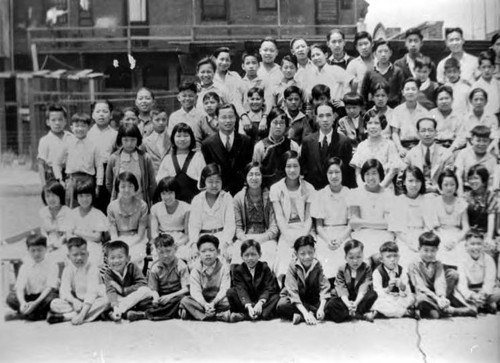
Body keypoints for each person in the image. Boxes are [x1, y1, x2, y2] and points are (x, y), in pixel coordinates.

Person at [408, 232, 475, 318]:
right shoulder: (413, 265)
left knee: (452, 274)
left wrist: (442, 297)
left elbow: (439, 281)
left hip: (438, 293)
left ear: (437, 250)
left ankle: (441, 306)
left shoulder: (438, 263)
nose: (429, 254)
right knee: (421, 299)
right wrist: (436, 298)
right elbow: (419, 286)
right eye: (426, 250)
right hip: (424, 293)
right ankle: (451, 310)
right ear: (419, 249)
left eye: (433, 251)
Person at [270, 151, 314, 281]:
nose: (292, 170)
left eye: (295, 166)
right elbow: (279, 216)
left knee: (308, 254)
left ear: (300, 167)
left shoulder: (309, 188)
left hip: (305, 230)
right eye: (288, 166)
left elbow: (308, 217)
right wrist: (288, 236)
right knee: (284, 255)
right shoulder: (276, 188)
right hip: (286, 231)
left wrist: (303, 236)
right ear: (284, 168)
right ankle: (285, 287)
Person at [47, 237, 109, 324]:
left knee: (106, 301)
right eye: (75, 255)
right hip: (77, 301)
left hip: (94, 299)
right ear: (69, 256)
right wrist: (74, 301)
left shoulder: (93, 268)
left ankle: (67, 316)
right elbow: (64, 291)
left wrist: (82, 315)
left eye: (83, 254)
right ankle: (95, 314)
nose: (79, 258)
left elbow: (92, 292)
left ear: (88, 254)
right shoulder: (68, 270)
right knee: (54, 303)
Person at [276, 235, 335, 325]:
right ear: (296, 254)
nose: (307, 257)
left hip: (312, 298)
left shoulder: (317, 265)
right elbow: (293, 292)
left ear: (314, 251)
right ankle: (308, 314)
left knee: (331, 303)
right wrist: (306, 314)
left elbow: (324, 287)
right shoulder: (292, 266)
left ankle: (302, 315)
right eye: (302, 254)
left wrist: (321, 308)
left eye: (310, 252)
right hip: (297, 298)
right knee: (282, 304)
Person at [310, 157, 352, 280]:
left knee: (345, 253)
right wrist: (328, 239)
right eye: (330, 173)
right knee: (324, 254)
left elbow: (351, 223)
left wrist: (340, 239)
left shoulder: (349, 193)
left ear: (343, 173)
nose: (334, 176)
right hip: (325, 234)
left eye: (337, 172)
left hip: (344, 233)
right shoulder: (320, 195)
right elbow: (319, 225)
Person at [348, 159, 395, 264]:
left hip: (383, 235)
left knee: (379, 258)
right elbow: (354, 223)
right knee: (365, 262)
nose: (371, 177)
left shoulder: (388, 194)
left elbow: (389, 224)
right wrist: (377, 223)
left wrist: (364, 222)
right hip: (362, 235)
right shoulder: (356, 193)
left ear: (380, 174)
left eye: (374, 173)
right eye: (367, 174)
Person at [301, 102, 356, 189]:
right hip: (314, 193)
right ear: (316, 118)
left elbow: (348, 172)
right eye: (321, 116)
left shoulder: (344, 141)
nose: (325, 119)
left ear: (334, 117)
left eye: (328, 115)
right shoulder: (307, 141)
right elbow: (305, 170)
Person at [201, 103, 253, 196]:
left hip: (241, 194)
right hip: (219, 193)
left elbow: (247, 169)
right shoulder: (207, 144)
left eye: (231, 117)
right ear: (216, 119)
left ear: (236, 118)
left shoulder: (246, 141)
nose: (228, 121)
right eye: (224, 117)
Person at [179, 235, 234, 322]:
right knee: (185, 300)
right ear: (198, 254)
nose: (207, 254)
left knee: (230, 300)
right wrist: (205, 304)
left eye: (211, 250)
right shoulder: (195, 270)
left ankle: (197, 314)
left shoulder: (224, 268)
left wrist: (213, 302)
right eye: (203, 251)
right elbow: (195, 291)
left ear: (218, 252)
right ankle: (218, 316)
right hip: (202, 301)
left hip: (218, 300)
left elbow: (224, 288)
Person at [232, 162, 278, 266]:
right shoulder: (238, 198)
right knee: (237, 253)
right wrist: (246, 240)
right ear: (245, 177)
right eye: (250, 174)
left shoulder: (270, 197)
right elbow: (237, 228)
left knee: (269, 253)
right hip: (245, 237)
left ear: (262, 177)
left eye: (257, 174)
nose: (254, 178)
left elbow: (274, 227)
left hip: (265, 237)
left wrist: (261, 239)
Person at [188, 163, 236, 263]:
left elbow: (230, 225)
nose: (214, 185)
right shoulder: (198, 200)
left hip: (222, 237)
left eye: (217, 181)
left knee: (224, 260)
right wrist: (193, 245)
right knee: (196, 262)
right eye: (210, 182)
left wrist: (224, 244)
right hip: (202, 238)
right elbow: (194, 226)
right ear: (204, 182)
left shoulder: (227, 198)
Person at [5, 234, 59, 321]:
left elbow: (49, 288)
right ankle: (36, 314)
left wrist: (35, 303)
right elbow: (20, 288)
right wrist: (22, 303)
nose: (36, 253)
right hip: (29, 297)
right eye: (32, 251)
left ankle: (24, 315)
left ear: (46, 249)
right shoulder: (25, 266)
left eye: (39, 250)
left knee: (53, 299)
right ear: (28, 251)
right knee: (10, 298)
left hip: (44, 297)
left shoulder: (52, 265)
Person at [391, 166, 438, 264]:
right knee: (406, 261)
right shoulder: (398, 201)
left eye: (417, 181)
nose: (414, 184)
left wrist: (422, 241)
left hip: (424, 237)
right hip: (404, 238)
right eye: (410, 181)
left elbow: (429, 226)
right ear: (404, 182)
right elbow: (397, 230)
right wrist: (409, 242)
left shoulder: (427, 200)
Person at [226, 239, 280, 321]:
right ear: (242, 256)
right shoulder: (238, 270)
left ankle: (244, 316)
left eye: (253, 255)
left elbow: (268, 288)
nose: (250, 258)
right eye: (246, 255)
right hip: (246, 300)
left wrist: (260, 303)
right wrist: (248, 306)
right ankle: (255, 313)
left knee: (276, 296)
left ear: (260, 255)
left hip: (261, 299)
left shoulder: (264, 267)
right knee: (231, 292)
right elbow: (241, 289)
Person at [59, 113, 103, 208]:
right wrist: (60, 180)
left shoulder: (94, 145)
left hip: (88, 179)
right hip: (72, 180)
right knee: (71, 207)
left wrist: (98, 184)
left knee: (87, 206)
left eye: (83, 126)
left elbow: (99, 166)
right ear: (71, 127)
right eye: (77, 126)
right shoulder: (66, 144)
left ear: (89, 128)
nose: (80, 129)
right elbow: (58, 162)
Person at [106, 124, 156, 207]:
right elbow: (109, 183)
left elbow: (152, 183)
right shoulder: (114, 158)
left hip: (140, 202)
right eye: (125, 140)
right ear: (120, 140)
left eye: (133, 140)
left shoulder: (145, 158)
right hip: (120, 203)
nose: (129, 143)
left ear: (138, 140)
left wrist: (147, 198)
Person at [103, 240, 154, 322]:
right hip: (118, 298)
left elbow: (142, 283)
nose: (116, 261)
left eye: (120, 257)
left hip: (133, 296)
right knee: (103, 292)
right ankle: (123, 311)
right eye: (112, 258)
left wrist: (124, 290)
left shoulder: (132, 267)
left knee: (146, 290)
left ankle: (118, 312)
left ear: (128, 258)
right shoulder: (108, 273)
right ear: (107, 260)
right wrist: (115, 305)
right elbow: (110, 290)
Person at [351, 111, 404, 190]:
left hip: (385, 187)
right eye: (370, 123)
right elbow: (357, 172)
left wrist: (380, 188)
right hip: (365, 189)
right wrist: (362, 189)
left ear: (382, 125)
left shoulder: (389, 145)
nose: (373, 126)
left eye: (376, 123)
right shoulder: (361, 146)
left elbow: (393, 171)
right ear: (365, 125)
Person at [142, 234, 190, 321]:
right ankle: (174, 312)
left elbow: (186, 289)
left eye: (168, 251)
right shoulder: (155, 268)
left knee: (185, 300)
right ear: (156, 252)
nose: (165, 255)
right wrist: (156, 299)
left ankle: (145, 314)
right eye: (161, 252)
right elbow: (153, 289)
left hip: (176, 295)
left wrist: (170, 296)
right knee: (144, 301)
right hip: (162, 296)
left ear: (175, 249)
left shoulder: (181, 265)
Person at [329, 239, 378, 322]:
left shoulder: (366, 268)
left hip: (359, 297)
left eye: (358, 257)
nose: (355, 261)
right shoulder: (342, 269)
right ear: (345, 258)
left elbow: (364, 286)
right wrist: (348, 304)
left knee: (372, 294)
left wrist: (355, 303)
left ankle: (352, 313)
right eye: (351, 258)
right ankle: (356, 314)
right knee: (331, 304)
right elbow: (341, 288)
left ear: (363, 256)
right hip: (346, 297)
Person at [156, 123, 205, 203]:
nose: (182, 139)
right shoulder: (167, 159)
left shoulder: (198, 157)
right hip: (173, 206)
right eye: (178, 136)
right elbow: (160, 184)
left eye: (186, 136)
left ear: (191, 138)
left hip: (194, 204)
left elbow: (204, 184)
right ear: (173, 138)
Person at [107, 172, 149, 265]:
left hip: (137, 239)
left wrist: (129, 245)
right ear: (118, 188)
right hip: (118, 240)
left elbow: (140, 234)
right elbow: (113, 234)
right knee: (117, 259)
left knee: (135, 258)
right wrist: (120, 246)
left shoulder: (142, 205)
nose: (127, 189)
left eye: (130, 186)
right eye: (123, 186)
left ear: (135, 187)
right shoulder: (112, 206)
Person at [454, 229, 500, 314]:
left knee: (498, 292)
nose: (476, 247)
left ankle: (479, 305)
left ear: (483, 246)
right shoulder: (462, 260)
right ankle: (481, 305)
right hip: (470, 290)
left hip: (484, 291)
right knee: (455, 293)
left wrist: (483, 294)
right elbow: (462, 283)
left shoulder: (488, 259)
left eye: (479, 244)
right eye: (472, 244)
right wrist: (472, 295)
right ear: (466, 246)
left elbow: (489, 281)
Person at [404, 117, 454, 194]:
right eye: (423, 131)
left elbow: (449, 179)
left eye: (430, 130)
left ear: (436, 132)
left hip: (439, 194)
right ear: (418, 133)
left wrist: (435, 189)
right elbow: (403, 179)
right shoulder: (410, 154)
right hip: (416, 194)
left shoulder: (446, 153)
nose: (427, 134)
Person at [252, 107, 299, 187]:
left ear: (286, 125)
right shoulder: (260, 146)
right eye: (275, 122)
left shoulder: (293, 145)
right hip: (267, 188)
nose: (278, 126)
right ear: (269, 123)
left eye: (281, 123)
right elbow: (256, 171)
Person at [66, 179, 109, 266]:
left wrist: (77, 232)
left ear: (92, 196)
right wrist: (88, 236)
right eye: (81, 196)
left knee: (91, 261)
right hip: (75, 247)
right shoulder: (72, 213)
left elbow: (97, 237)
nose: (84, 199)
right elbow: (69, 236)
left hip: (93, 246)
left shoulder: (97, 214)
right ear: (76, 197)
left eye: (87, 196)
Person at [371, 241, 416, 319]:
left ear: (398, 257)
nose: (392, 259)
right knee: (378, 302)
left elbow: (407, 291)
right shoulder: (377, 272)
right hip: (386, 298)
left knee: (411, 298)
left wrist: (402, 287)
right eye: (388, 256)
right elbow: (378, 292)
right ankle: (404, 312)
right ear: (381, 259)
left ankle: (383, 312)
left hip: (399, 298)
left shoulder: (402, 270)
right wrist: (388, 289)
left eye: (395, 256)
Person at [435, 170, 470, 267]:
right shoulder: (434, 202)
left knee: (461, 256)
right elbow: (432, 226)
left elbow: (466, 227)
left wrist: (455, 240)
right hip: (440, 235)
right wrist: (442, 239)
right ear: (440, 186)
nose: (449, 188)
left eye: (452, 184)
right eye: (445, 185)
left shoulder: (461, 203)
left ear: (456, 186)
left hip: (457, 236)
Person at [150, 177, 191, 262]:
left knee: (181, 256)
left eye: (170, 193)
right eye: (163, 193)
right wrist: (161, 243)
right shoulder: (155, 208)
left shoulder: (186, 208)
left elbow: (187, 235)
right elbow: (154, 232)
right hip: (161, 239)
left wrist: (176, 244)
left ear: (176, 192)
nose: (167, 197)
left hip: (179, 240)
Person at [88, 100, 117, 213]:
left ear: (111, 115)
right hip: (91, 170)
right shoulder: (88, 134)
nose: (101, 114)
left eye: (105, 111)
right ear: (92, 115)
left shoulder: (115, 134)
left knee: (106, 203)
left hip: (108, 171)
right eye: (98, 111)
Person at [391, 78, 431, 157]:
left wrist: (419, 149)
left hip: (419, 146)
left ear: (418, 92)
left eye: (413, 89)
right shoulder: (397, 111)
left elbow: (426, 133)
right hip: (402, 146)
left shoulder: (424, 112)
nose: (410, 92)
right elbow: (394, 133)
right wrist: (400, 148)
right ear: (403, 92)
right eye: (407, 89)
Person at [360, 39, 404, 108]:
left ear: (391, 53)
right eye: (380, 51)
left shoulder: (397, 71)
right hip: (374, 109)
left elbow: (402, 93)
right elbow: (363, 93)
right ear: (375, 54)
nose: (383, 54)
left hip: (393, 108)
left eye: (386, 51)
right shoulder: (369, 72)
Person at [37, 104, 74, 185]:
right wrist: (44, 185)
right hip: (52, 176)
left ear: (65, 121)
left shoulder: (71, 137)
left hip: (69, 175)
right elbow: (41, 164)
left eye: (60, 120)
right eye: (53, 120)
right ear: (48, 122)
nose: (57, 123)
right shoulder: (44, 140)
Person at [463, 164, 497, 250]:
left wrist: (489, 238)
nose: (472, 181)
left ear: (484, 180)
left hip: (485, 234)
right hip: (469, 233)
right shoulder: (466, 196)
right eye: (470, 178)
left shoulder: (491, 196)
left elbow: (491, 217)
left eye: (476, 178)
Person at [455, 126, 497, 192]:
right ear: (472, 140)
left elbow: (491, 184)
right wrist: (461, 197)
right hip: (465, 189)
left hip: (483, 193)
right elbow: (458, 176)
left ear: (489, 142)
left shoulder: (492, 159)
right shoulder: (464, 153)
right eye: (478, 140)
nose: (481, 144)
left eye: (485, 141)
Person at [39, 180, 71, 263]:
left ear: (60, 195)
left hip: (63, 244)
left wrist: (58, 244)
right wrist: (48, 244)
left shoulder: (67, 212)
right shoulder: (43, 212)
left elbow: (68, 234)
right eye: (48, 196)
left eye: (54, 195)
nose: (51, 199)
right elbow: (43, 233)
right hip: (47, 244)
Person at [430, 85, 466, 151]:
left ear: (452, 99)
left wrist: (451, 149)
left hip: (454, 148)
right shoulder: (431, 115)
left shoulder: (459, 116)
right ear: (436, 101)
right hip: (434, 148)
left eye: (446, 98)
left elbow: (461, 137)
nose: (444, 101)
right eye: (441, 99)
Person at [142, 106, 171, 174]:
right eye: (157, 120)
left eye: (164, 120)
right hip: (153, 178)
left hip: (170, 177)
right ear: (151, 121)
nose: (161, 122)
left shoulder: (172, 139)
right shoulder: (145, 142)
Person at [471, 50, 500, 116]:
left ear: (494, 68)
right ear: (479, 68)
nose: (487, 70)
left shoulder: (498, 84)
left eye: (489, 67)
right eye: (484, 67)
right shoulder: (476, 86)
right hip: (482, 115)